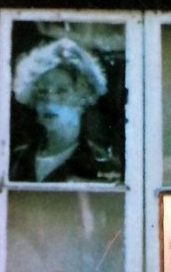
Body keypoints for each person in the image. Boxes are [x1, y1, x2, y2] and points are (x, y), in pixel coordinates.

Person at [9, 37, 122, 183]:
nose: (50, 100)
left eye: (61, 91)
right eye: (42, 92)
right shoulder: (15, 160)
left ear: (84, 94)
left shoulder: (103, 166)